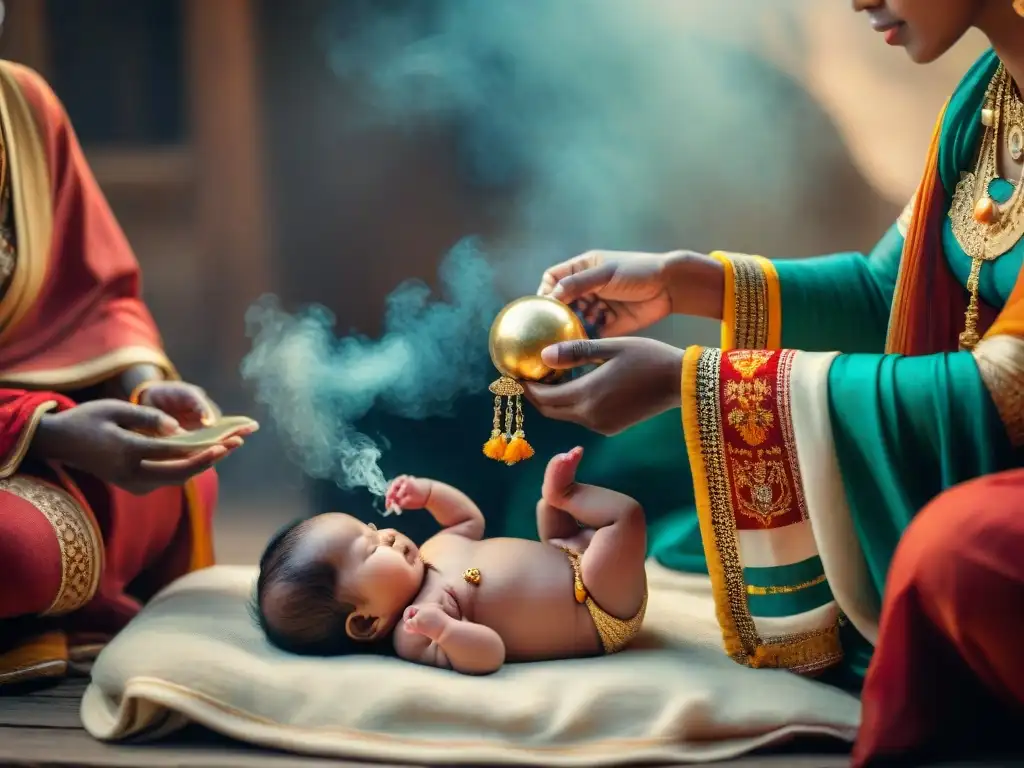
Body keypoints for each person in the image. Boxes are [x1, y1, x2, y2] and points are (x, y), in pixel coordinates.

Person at [523, 1, 1024, 764]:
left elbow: (1000, 393)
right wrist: (683, 283)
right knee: (691, 516)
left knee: (953, 553)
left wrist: (691, 382)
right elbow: (881, 290)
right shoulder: (990, 99)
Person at [0, 58, 256, 686]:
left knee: (180, 478)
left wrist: (143, 384)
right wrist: (52, 433)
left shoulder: (21, 103)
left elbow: (100, 294)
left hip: (32, 425)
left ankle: (47, 613)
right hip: (33, 431)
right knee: (17, 551)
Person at [254, 446, 648, 674]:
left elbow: (467, 520)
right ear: (364, 621)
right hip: (597, 608)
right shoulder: (418, 627)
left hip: (567, 551)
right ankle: (568, 495)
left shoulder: (431, 552)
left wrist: (427, 494)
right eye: (371, 548)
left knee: (545, 511)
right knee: (625, 518)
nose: (387, 535)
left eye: (373, 527)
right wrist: (444, 630)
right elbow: (489, 654)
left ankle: (560, 502)